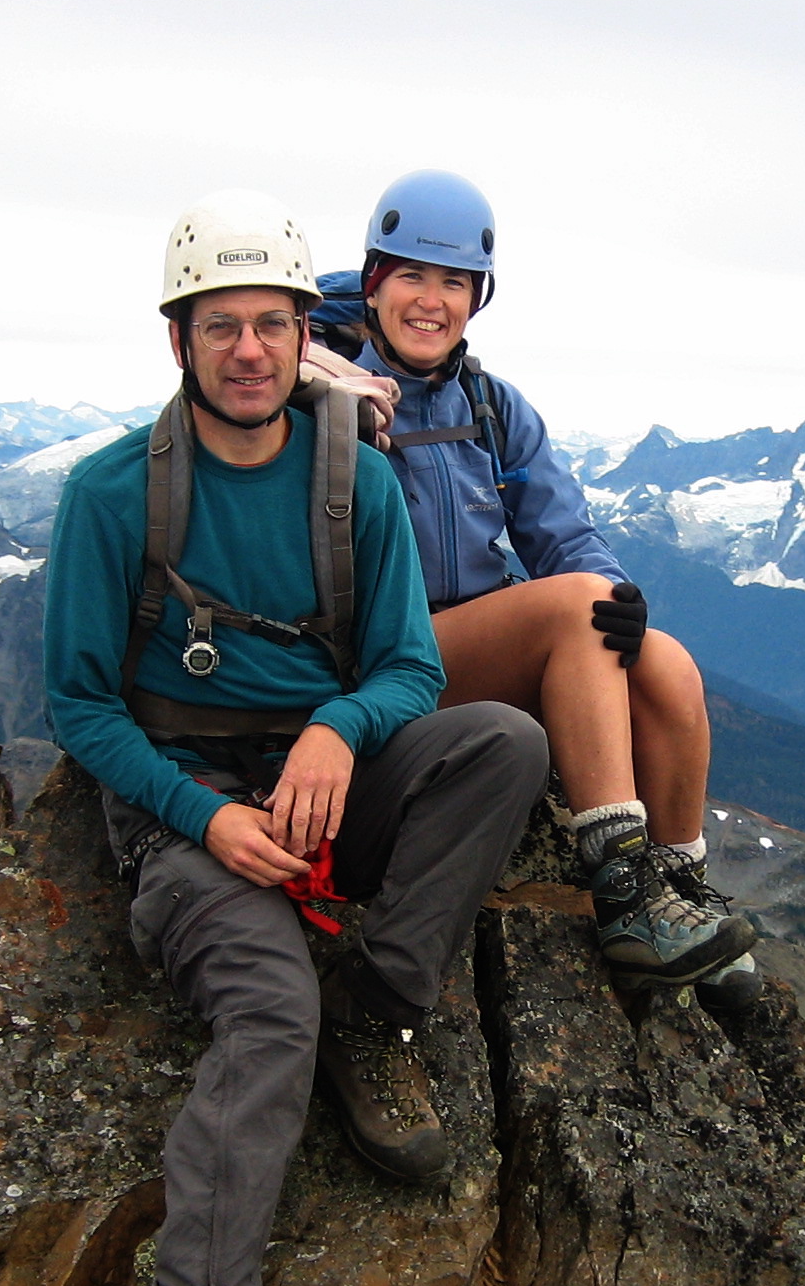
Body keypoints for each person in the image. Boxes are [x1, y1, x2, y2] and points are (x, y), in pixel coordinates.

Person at [43, 189, 549, 1286]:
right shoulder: (112, 496)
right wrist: (204, 818)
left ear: (300, 329)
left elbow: (410, 668)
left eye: (272, 323)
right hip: (188, 798)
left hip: (324, 775)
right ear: (179, 343)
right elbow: (84, 707)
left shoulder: (356, 484)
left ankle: (379, 1005)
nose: (252, 350)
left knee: (500, 745)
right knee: (267, 1009)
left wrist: (337, 730)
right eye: (222, 327)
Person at [308, 169, 758, 1003]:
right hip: (386, 660)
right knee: (572, 607)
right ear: (373, 283)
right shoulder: (333, 397)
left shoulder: (491, 404)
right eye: (411, 275)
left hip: (480, 642)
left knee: (665, 663)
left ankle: (679, 888)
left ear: (479, 296)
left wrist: (620, 597)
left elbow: (564, 534)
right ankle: (624, 903)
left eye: (453, 282)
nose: (431, 301)